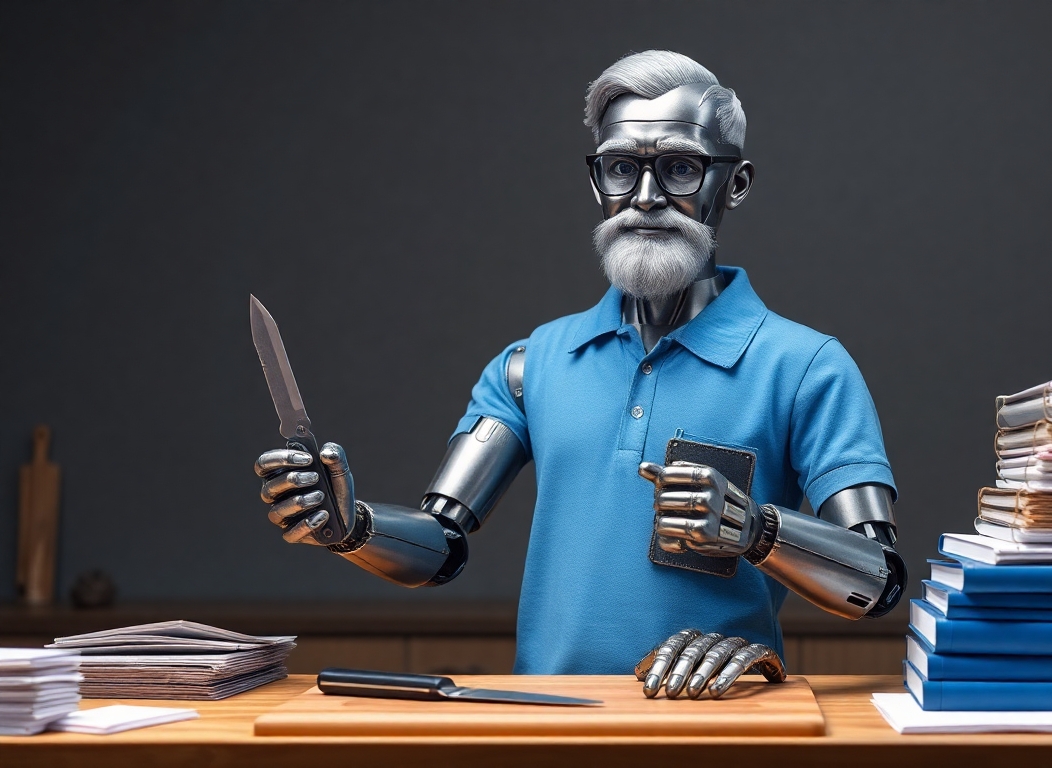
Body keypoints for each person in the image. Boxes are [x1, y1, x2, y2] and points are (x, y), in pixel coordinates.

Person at [254, 50, 906, 699]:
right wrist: (353, 529)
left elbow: (878, 580)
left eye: (680, 167)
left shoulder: (806, 368)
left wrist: (758, 530)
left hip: (717, 724)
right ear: (597, 183)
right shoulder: (529, 364)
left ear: (733, 183)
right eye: (623, 167)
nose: (647, 198)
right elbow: (443, 545)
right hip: (547, 721)